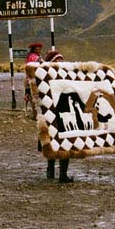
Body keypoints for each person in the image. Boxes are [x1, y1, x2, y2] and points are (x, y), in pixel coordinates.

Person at [43, 49, 74, 183]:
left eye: (61, 59)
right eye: (57, 59)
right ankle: (51, 171)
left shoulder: (65, 74)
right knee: (52, 141)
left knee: (64, 141)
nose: (60, 62)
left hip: (64, 111)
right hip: (51, 112)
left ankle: (62, 174)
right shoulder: (45, 75)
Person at [24, 42, 44, 118]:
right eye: (36, 49)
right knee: (34, 95)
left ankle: (36, 113)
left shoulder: (37, 56)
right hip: (32, 77)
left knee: (35, 95)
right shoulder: (33, 57)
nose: (38, 50)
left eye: (39, 49)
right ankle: (35, 114)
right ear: (33, 49)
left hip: (37, 77)